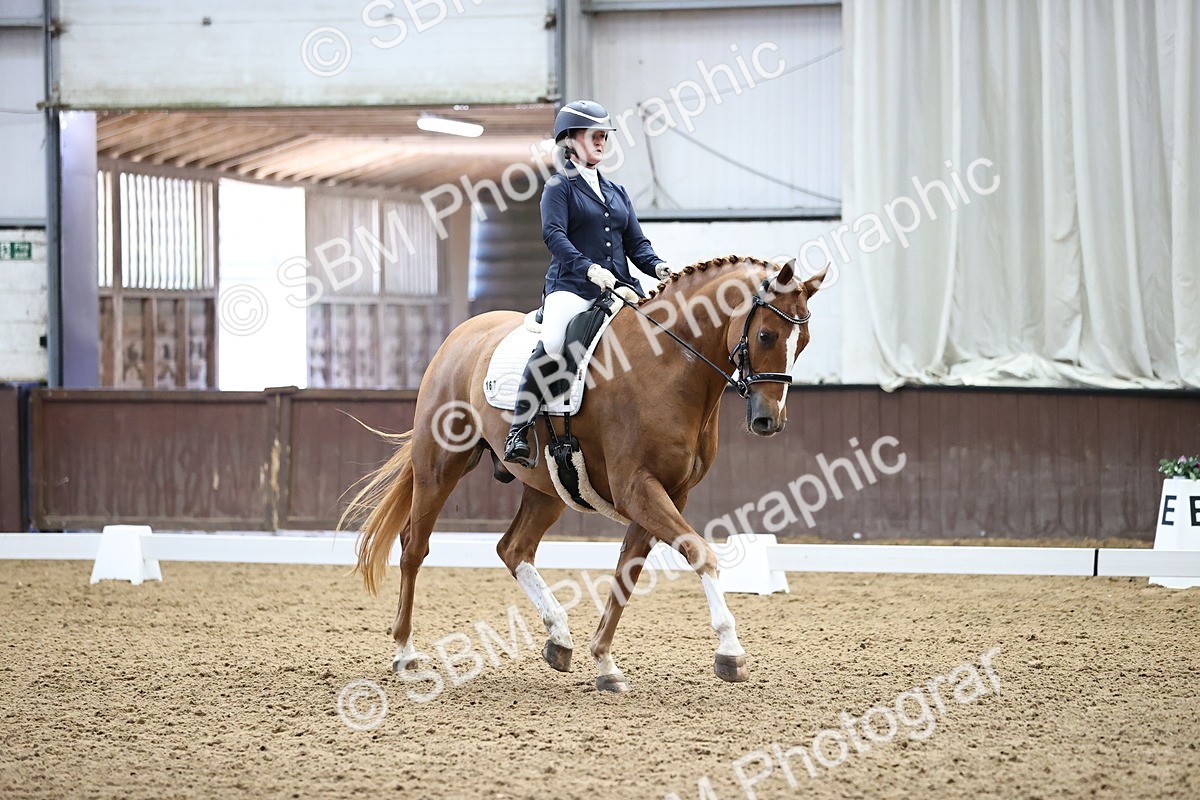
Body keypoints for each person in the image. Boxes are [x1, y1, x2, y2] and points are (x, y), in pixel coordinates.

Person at [502, 99, 678, 468]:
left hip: (621, 288)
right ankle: (519, 428)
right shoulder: (558, 187)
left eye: (604, 136)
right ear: (570, 140)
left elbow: (636, 245)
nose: (602, 141)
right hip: (572, 287)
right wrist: (589, 269)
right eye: (594, 135)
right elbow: (554, 236)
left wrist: (659, 267)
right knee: (553, 342)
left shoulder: (617, 192)